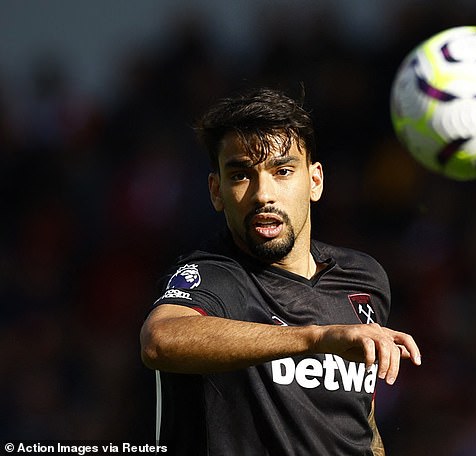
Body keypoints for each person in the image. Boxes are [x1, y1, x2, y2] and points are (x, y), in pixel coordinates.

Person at [140, 87, 421, 455]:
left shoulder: (364, 277)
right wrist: (315, 339)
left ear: (315, 181)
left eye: (282, 171)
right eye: (241, 175)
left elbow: (361, 418)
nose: (262, 195)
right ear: (216, 191)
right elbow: (160, 341)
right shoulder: (212, 276)